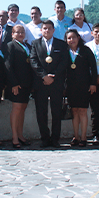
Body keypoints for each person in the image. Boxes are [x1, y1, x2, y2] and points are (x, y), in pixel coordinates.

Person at [30, 19, 69, 148]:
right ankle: (45, 139)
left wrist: (54, 75)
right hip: (41, 83)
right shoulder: (35, 43)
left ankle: (55, 139)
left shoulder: (61, 44)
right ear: (41, 30)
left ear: (53, 30)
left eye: (49, 28)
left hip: (56, 82)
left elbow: (64, 61)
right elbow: (33, 61)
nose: (47, 30)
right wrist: (44, 76)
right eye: (44, 28)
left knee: (56, 112)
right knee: (41, 113)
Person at [65, 29, 97, 147]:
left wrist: (93, 83)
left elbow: (93, 68)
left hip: (84, 85)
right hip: (71, 86)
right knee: (74, 111)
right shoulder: (65, 52)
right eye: (69, 38)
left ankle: (83, 138)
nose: (71, 40)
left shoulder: (86, 50)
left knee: (83, 111)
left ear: (78, 38)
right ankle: (76, 137)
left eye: (73, 37)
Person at [4, 25, 33, 148]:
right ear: (12, 34)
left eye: (22, 32)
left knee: (22, 109)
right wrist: (13, 83)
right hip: (16, 84)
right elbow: (8, 65)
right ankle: (15, 136)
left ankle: (21, 135)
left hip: (27, 83)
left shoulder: (28, 46)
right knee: (16, 109)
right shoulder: (10, 46)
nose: (20, 34)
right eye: (17, 32)